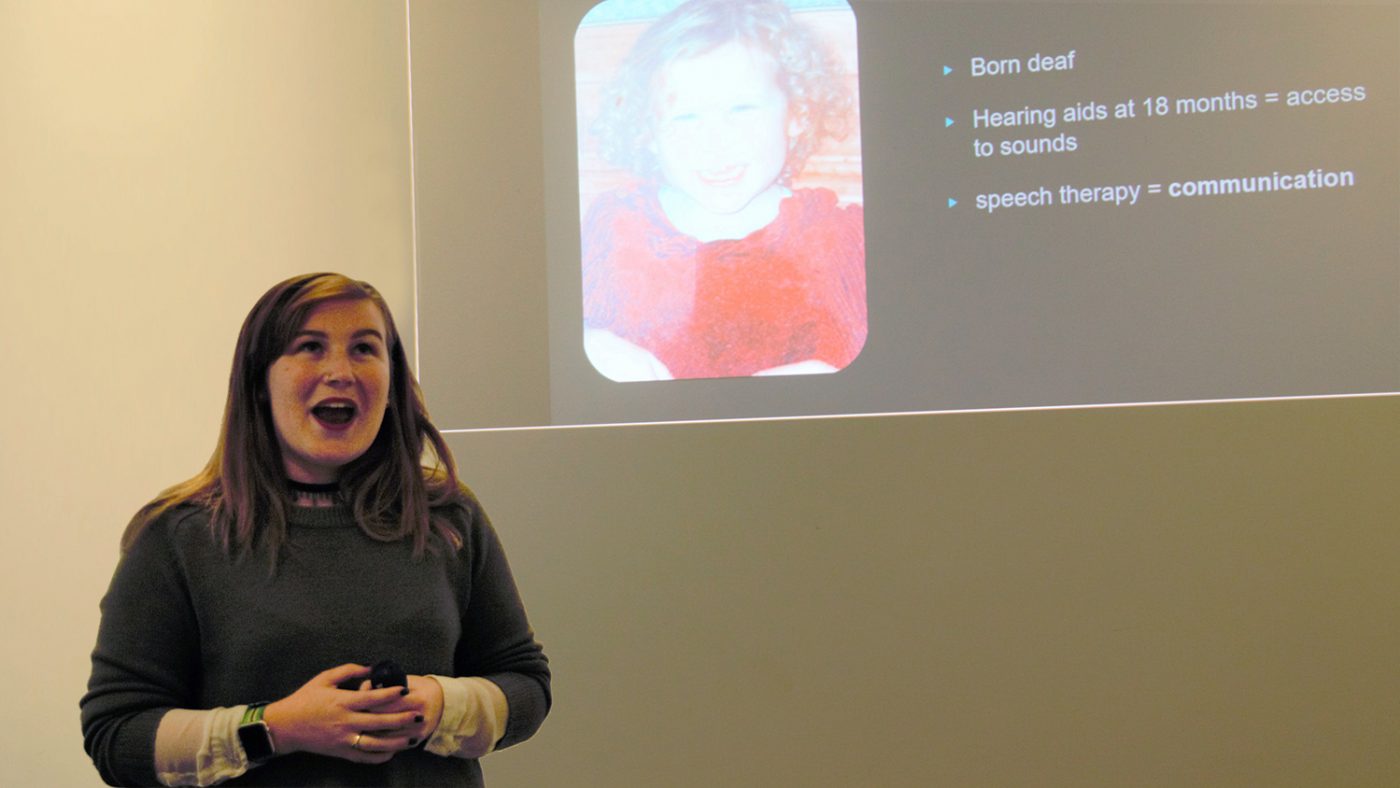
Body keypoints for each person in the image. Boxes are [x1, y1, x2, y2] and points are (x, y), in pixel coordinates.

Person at [80, 273, 550, 786]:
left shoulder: (448, 516)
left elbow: (526, 684)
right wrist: (278, 729)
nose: (340, 372)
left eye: (365, 349)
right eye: (310, 347)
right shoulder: (179, 535)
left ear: (392, 383)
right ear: (260, 382)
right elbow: (116, 735)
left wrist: (438, 707)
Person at [580, 0, 867, 381]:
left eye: (742, 110)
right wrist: (588, 345)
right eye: (687, 117)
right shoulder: (614, 228)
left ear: (797, 114)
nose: (714, 143)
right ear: (647, 131)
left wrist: (834, 379)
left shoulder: (839, 238)